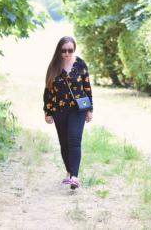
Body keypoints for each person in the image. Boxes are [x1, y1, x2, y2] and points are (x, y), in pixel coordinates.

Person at [43, 36, 93, 189]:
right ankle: (69, 172)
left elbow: (87, 87)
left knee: (74, 140)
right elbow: (48, 91)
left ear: (74, 49)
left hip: (78, 110)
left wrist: (90, 109)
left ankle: (74, 177)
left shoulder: (80, 64)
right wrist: (47, 111)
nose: (67, 53)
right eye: (64, 50)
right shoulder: (53, 66)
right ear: (59, 50)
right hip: (59, 110)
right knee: (64, 143)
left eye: (70, 50)